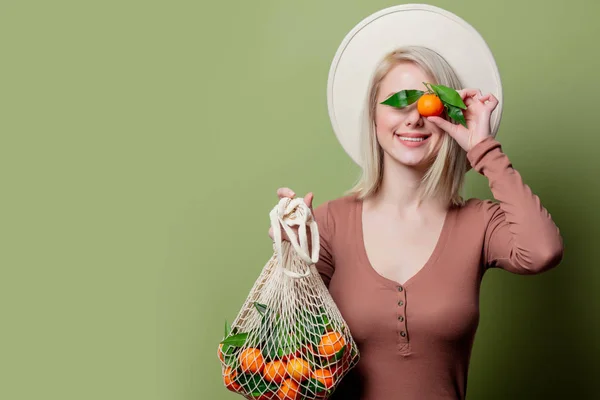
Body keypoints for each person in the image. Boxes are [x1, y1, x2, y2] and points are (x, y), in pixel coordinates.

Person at [268, 5, 564, 400]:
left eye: (429, 103)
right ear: (372, 118)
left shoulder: (479, 223)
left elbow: (543, 251)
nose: (414, 119)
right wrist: (291, 258)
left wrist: (483, 149)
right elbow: (292, 358)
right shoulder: (330, 224)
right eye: (397, 101)